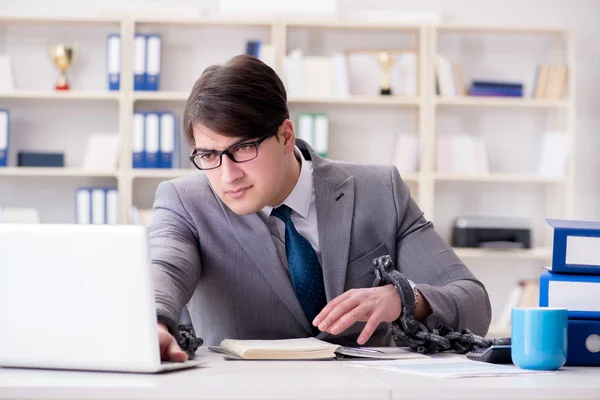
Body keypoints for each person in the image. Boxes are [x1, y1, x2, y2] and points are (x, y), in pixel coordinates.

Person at [150, 55, 492, 362]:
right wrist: (154, 323)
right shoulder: (186, 201)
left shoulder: (379, 190)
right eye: (209, 155)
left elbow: (473, 302)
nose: (227, 175)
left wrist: (402, 298)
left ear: (285, 136)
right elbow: (165, 266)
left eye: (242, 149)